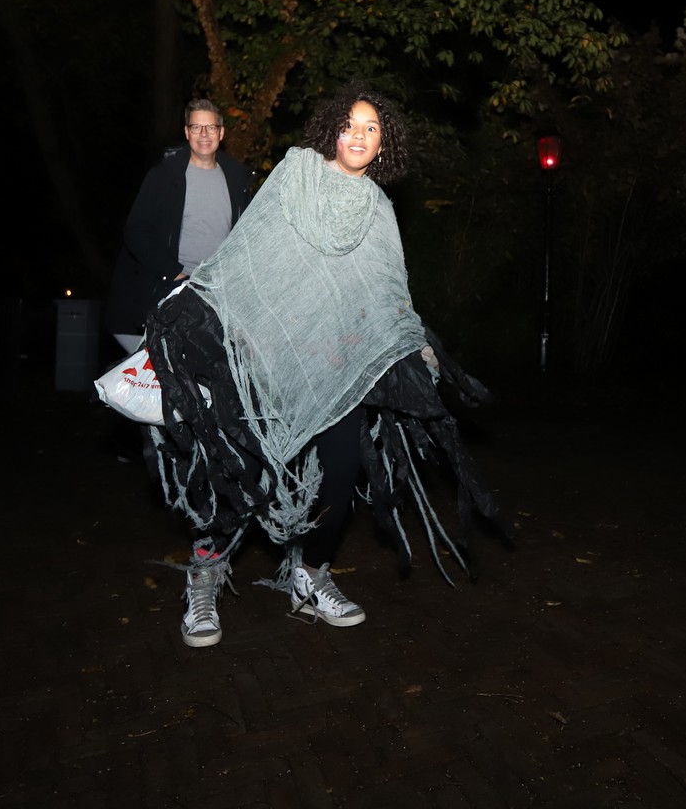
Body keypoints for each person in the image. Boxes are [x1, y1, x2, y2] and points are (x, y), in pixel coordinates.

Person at [139, 83, 498, 648]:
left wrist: (412, 341)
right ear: (333, 129)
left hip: (335, 368)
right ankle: (205, 575)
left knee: (341, 472)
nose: (359, 135)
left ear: (383, 144)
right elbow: (248, 251)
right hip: (266, 357)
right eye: (350, 124)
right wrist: (201, 302)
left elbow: (387, 292)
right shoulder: (296, 174)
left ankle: (311, 575)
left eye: (372, 128)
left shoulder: (379, 209)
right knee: (243, 469)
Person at [105, 99, 254, 354]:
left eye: (210, 127)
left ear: (221, 133)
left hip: (215, 298)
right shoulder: (165, 176)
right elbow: (136, 230)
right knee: (159, 372)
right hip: (169, 293)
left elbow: (244, 240)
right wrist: (174, 274)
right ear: (187, 132)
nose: (204, 134)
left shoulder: (237, 181)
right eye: (196, 127)